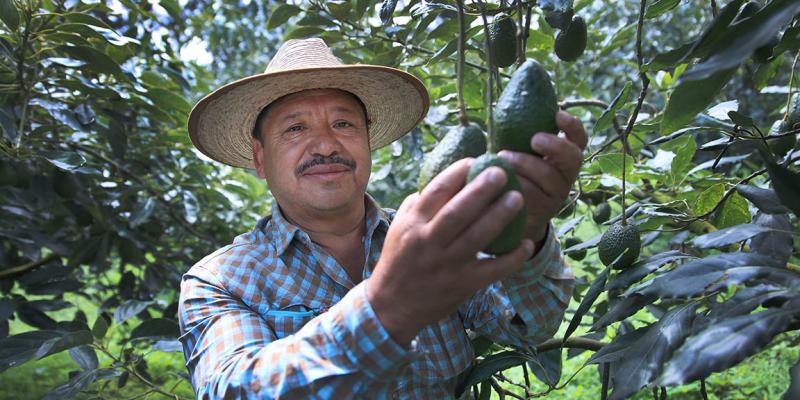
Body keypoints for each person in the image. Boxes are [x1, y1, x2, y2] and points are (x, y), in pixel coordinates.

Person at [179, 38, 585, 399]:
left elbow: (529, 327)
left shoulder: (433, 235)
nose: (325, 143)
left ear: (367, 142)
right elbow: (230, 388)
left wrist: (526, 230)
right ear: (259, 157)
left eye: (343, 123)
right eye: (295, 128)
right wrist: (389, 306)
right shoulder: (220, 280)